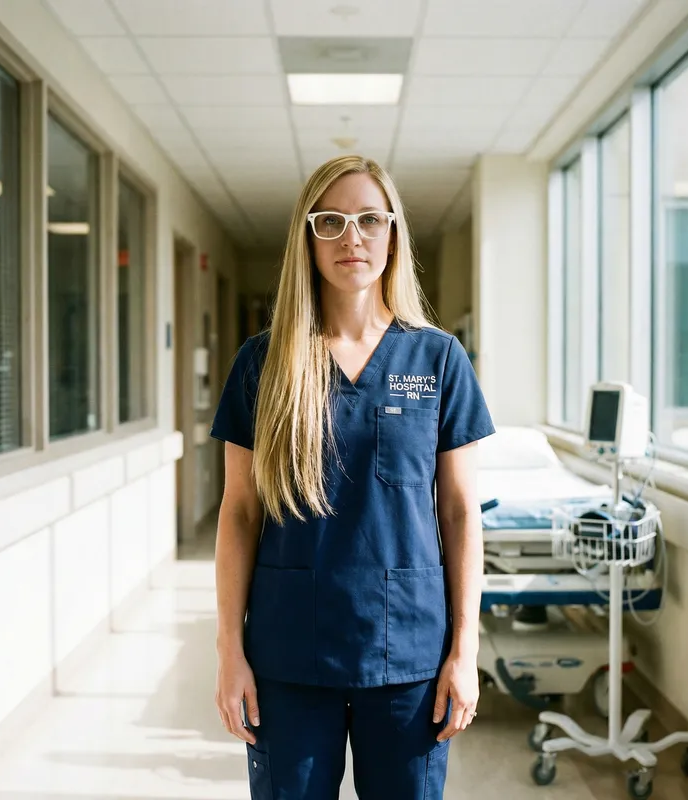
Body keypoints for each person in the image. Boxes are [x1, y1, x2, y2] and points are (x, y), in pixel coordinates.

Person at [210, 154, 495, 799]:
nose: (351, 237)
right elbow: (239, 513)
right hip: (289, 654)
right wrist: (230, 652)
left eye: (370, 219)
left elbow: (458, 513)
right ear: (306, 239)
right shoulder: (264, 364)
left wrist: (465, 652)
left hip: (408, 653)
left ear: (393, 234)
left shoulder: (438, 358)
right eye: (330, 221)